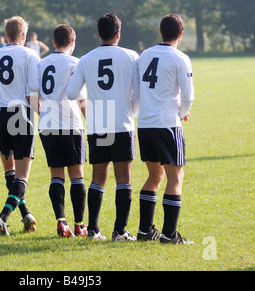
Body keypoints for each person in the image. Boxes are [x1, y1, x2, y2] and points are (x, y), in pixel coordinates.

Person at [67, 13, 139, 241]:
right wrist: (131, 114)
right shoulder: (131, 56)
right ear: (118, 33)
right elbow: (138, 92)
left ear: (98, 34)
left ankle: (93, 229)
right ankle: (119, 231)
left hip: (97, 125)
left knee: (98, 178)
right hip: (121, 123)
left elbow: (71, 93)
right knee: (123, 179)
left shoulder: (86, 59)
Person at [133, 14, 194, 244]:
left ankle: (145, 231)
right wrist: (181, 113)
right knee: (175, 177)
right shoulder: (180, 58)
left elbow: (137, 93)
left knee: (154, 175)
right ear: (180, 34)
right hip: (167, 124)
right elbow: (188, 96)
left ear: (161, 32)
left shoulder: (145, 55)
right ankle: (169, 235)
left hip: (146, 124)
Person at [0, 16, 40, 236]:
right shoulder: (30, 54)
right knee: (22, 176)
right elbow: (32, 92)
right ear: (23, 35)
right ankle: (2, 218)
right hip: (20, 113)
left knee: (9, 171)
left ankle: (26, 214)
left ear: (6, 33)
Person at [38, 24, 87, 238]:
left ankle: (61, 222)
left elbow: (31, 97)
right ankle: (79, 225)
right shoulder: (76, 63)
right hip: (71, 124)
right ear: (73, 43)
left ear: (53, 41)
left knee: (56, 174)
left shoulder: (41, 64)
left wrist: (45, 114)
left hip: (47, 126)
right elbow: (82, 99)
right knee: (76, 175)